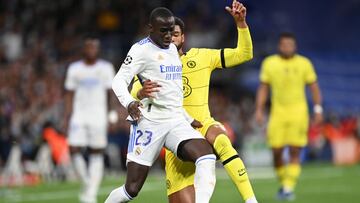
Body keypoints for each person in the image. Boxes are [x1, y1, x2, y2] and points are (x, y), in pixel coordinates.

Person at [131, 1, 257, 203]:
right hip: (175, 137)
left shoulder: (202, 57)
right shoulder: (151, 64)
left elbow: (244, 53)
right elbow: (133, 92)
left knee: (222, 140)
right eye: (167, 33)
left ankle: (251, 200)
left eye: (176, 34)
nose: (171, 38)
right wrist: (140, 92)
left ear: (183, 37)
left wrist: (241, 23)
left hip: (203, 124)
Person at [105, 7, 217, 203]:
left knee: (206, 156)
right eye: (163, 30)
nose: (168, 36)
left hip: (175, 121)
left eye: (170, 30)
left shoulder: (173, 50)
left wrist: (187, 118)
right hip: (149, 122)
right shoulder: (140, 50)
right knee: (131, 190)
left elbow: (171, 91)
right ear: (151, 28)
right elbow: (118, 81)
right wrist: (130, 102)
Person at [255, 32, 323, 200]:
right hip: (277, 113)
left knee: (294, 150)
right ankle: (284, 183)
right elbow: (263, 88)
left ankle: (288, 187)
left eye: (290, 45)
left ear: (295, 46)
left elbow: (314, 87)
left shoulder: (304, 63)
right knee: (276, 151)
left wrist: (318, 109)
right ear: (279, 46)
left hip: (298, 113)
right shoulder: (270, 63)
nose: (287, 47)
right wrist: (259, 109)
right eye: (284, 44)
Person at [64, 36, 115, 203]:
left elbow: (110, 93)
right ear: (84, 49)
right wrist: (68, 116)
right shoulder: (74, 69)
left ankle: (91, 193)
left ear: (98, 49)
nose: (92, 49)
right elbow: (69, 94)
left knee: (97, 152)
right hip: (79, 115)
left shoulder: (106, 68)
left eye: (95, 47)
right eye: (89, 47)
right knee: (73, 149)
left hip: (98, 115)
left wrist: (110, 113)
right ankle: (87, 183)